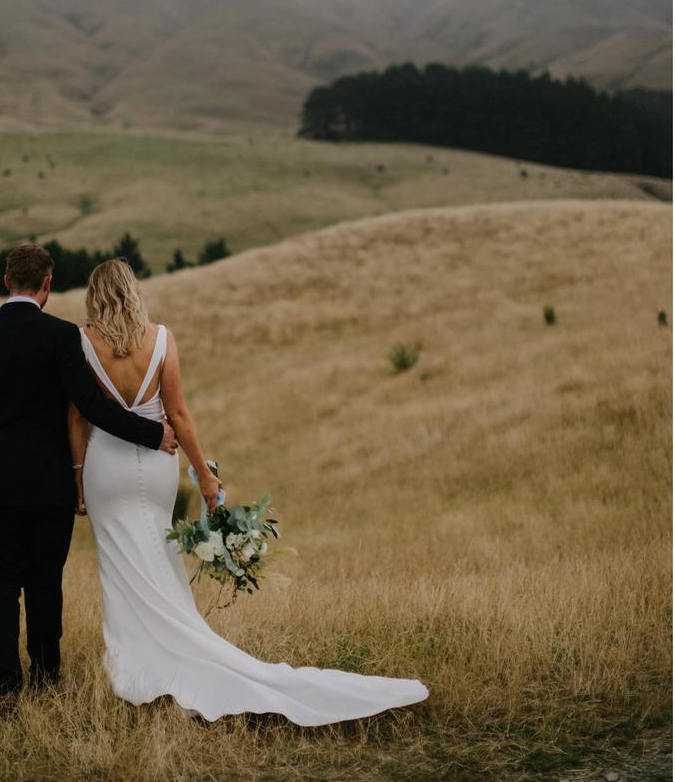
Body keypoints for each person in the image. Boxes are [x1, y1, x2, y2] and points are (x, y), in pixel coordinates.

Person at [68, 257, 429, 724]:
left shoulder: (82, 341)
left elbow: (77, 418)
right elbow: (178, 415)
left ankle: (133, 666)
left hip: (105, 467)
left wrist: (77, 480)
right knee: (160, 555)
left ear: (94, 295)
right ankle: (173, 647)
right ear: (133, 291)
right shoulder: (161, 339)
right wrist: (205, 476)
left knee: (119, 563)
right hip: (157, 466)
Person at [0, 243, 178, 705]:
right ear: (46, 285)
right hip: (49, 483)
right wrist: (153, 434)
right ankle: (47, 681)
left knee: (3, 581)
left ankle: (6, 686)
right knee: (45, 581)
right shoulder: (61, 336)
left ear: (6, 281)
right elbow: (91, 409)